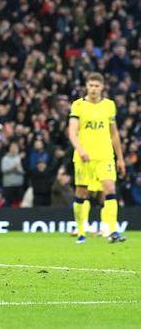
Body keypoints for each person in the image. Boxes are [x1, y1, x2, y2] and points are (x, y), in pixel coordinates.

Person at [68, 72, 126, 244]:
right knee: (82, 193)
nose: (93, 89)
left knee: (109, 188)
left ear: (102, 87)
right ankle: (81, 231)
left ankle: (112, 230)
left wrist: (120, 158)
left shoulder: (109, 105)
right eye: (91, 85)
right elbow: (72, 132)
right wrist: (80, 150)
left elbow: (114, 134)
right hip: (84, 157)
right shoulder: (78, 105)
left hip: (105, 155)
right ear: (86, 86)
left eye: (96, 86)